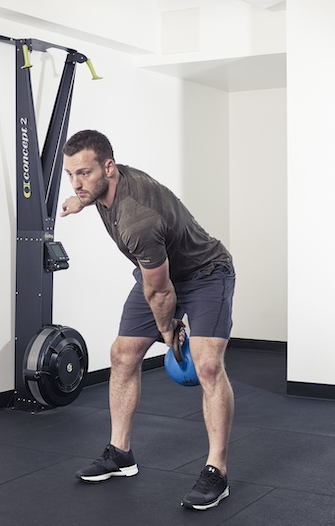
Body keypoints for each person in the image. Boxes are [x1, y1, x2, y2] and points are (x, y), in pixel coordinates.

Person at [59, 129, 236, 511]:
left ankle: (216, 471)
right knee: (123, 355)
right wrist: (79, 200)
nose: (77, 182)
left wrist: (170, 329)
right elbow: (157, 284)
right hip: (158, 272)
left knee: (206, 365)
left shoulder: (137, 217)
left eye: (84, 174)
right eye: (71, 174)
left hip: (205, 273)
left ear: (108, 167)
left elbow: (161, 294)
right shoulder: (107, 179)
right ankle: (120, 453)